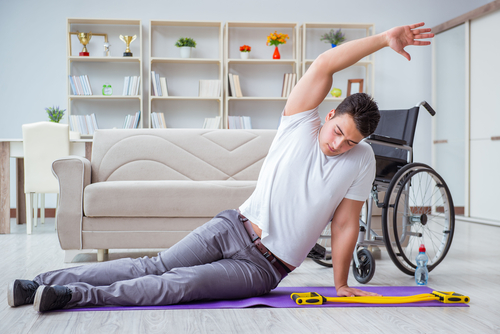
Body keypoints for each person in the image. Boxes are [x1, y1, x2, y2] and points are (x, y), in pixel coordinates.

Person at [7, 22, 433, 312]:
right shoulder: (302, 121)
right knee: (151, 266)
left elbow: (344, 226)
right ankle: (37, 282)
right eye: (337, 130)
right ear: (329, 115)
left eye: (349, 141)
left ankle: (68, 295)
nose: (338, 144)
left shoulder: (361, 160)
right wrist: (383, 39)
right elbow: (324, 64)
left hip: (262, 267)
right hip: (233, 225)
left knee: (179, 286)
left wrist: (340, 284)